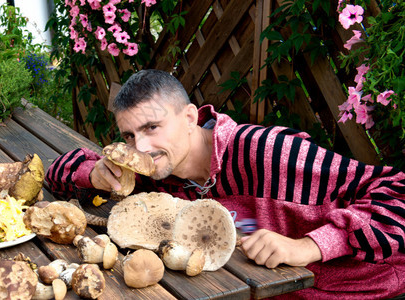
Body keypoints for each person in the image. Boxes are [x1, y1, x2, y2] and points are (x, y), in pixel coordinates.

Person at [46, 69, 405, 299]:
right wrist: (93, 176)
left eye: (152, 127)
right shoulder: (158, 175)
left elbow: (398, 192)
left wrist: (308, 247)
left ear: (189, 118)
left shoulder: (268, 153)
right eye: (129, 134)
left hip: (362, 287)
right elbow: (57, 173)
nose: (140, 147)